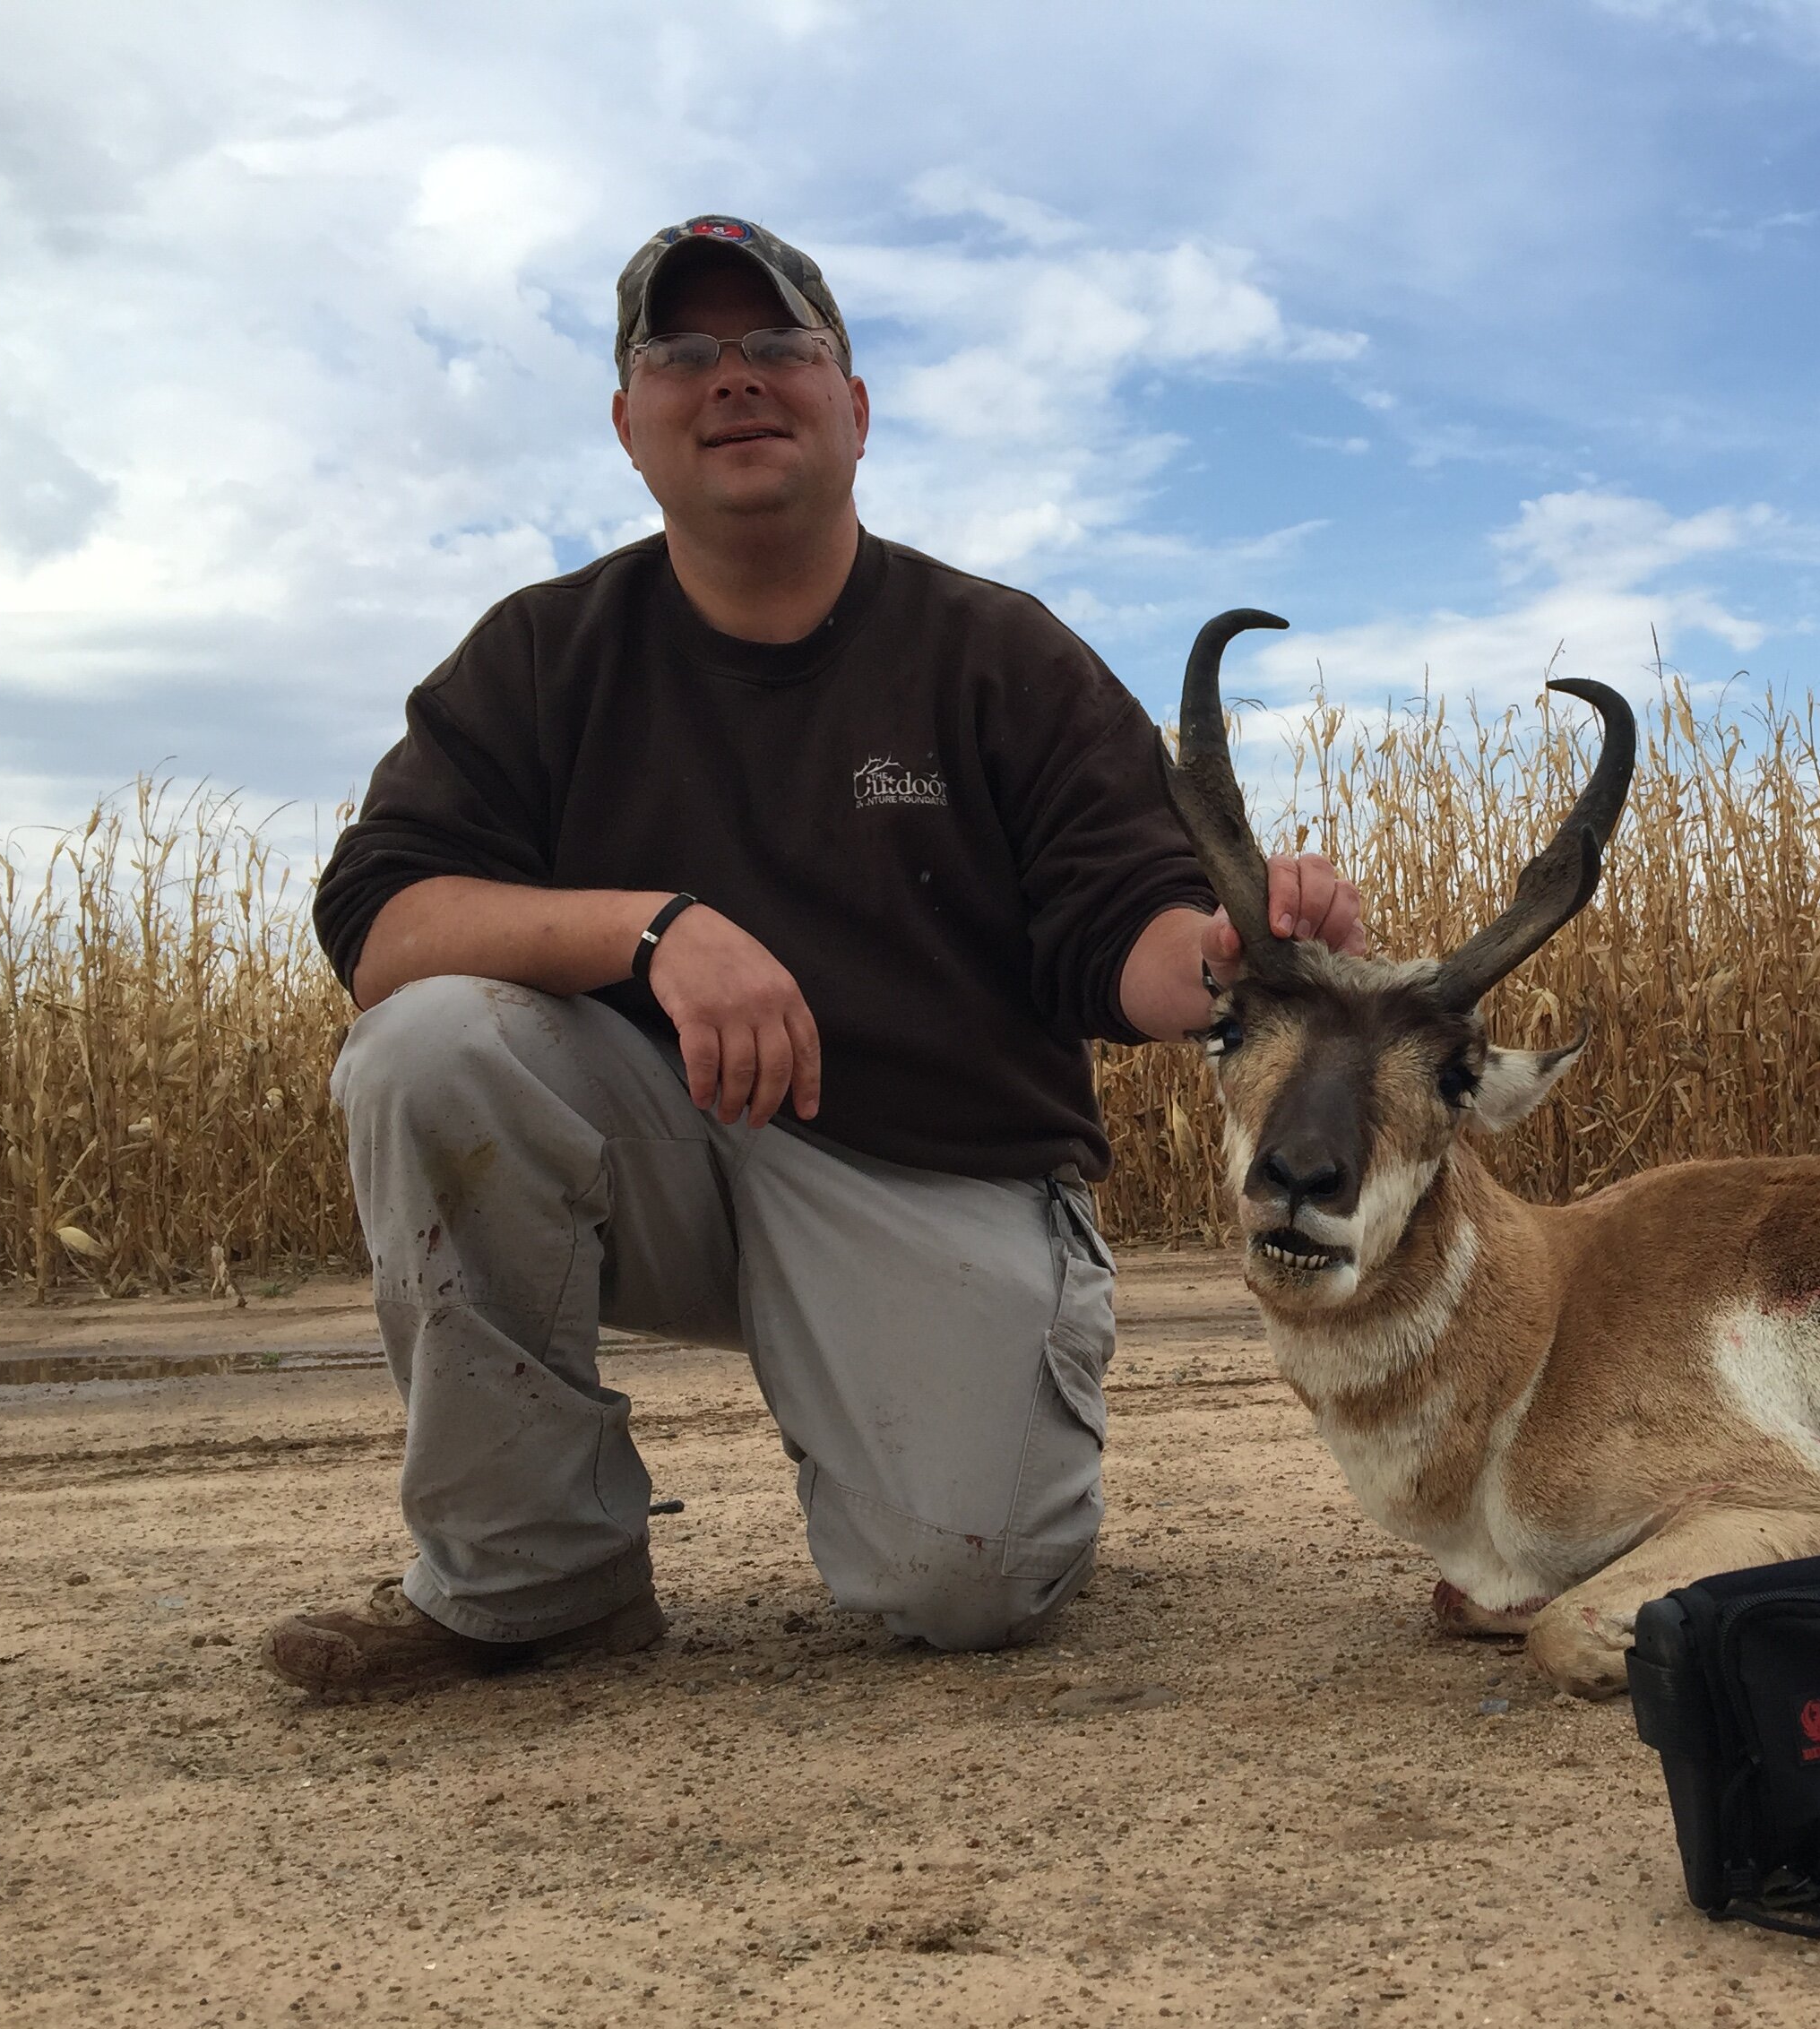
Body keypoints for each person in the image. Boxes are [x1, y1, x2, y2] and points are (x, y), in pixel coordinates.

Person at [269, 214, 1363, 1693]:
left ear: (854, 407)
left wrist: (1231, 958)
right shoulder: (543, 654)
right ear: (627, 424)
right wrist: (647, 931)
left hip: (934, 1174)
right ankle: (536, 1580)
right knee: (430, 1047)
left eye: (782, 345)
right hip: (653, 1155)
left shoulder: (999, 653)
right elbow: (384, 924)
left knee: (964, 1589)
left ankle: (956, 1393)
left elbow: (1127, 933)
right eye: (684, 352)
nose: (736, 378)